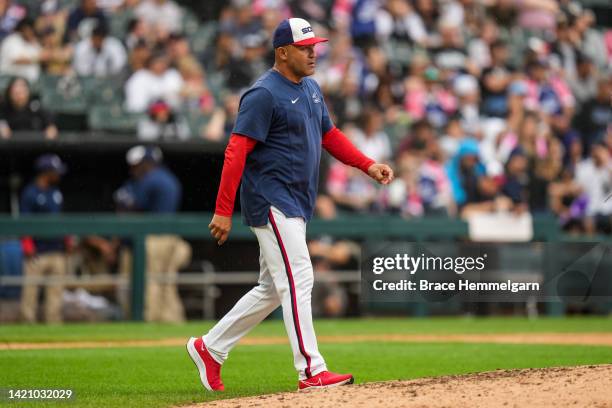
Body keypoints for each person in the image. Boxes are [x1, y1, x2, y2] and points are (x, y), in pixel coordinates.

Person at [186, 18, 393, 392]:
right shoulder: (263, 93)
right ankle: (311, 370)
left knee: (272, 287)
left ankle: (210, 347)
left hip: (296, 201)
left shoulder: (311, 88)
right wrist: (222, 209)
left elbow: (329, 135)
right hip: (270, 199)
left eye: (314, 45)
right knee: (300, 277)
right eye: (304, 47)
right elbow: (236, 151)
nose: (313, 52)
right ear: (283, 52)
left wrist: (367, 164)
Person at [117, 145, 191, 322]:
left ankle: (151, 319)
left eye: (138, 164)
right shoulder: (170, 178)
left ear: (148, 163)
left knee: (151, 281)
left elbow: (136, 207)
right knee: (166, 282)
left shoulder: (151, 179)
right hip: (170, 237)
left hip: (153, 239)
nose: (135, 169)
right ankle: (172, 319)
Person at [19, 154, 69, 323]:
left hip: (56, 249)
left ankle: (53, 325)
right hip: (37, 251)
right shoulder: (30, 193)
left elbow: (60, 219)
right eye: (55, 171)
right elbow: (23, 222)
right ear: (46, 172)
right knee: (30, 292)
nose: (58, 174)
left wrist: (66, 241)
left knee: (55, 293)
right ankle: (27, 325)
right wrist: (27, 245)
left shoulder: (56, 192)